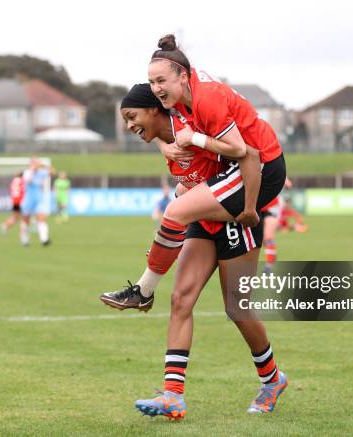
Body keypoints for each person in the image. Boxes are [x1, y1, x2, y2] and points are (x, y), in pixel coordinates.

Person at [106, 83, 288, 418]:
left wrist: (249, 208)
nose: (129, 126)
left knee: (237, 308)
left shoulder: (192, 128)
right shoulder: (168, 139)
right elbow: (187, 177)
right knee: (180, 299)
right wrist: (163, 144)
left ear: (155, 110)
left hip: (235, 220)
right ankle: (173, 396)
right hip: (203, 222)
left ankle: (272, 379)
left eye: (133, 117)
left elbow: (246, 153)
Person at [101, 34, 286, 318]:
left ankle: (144, 290)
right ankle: (268, 366)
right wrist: (165, 143)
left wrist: (195, 139)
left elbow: (242, 150)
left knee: (176, 212)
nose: (156, 88)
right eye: (152, 82)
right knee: (180, 200)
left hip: (260, 165)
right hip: (243, 165)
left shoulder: (205, 98)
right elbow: (160, 123)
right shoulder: (183, 91)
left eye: (160, 81)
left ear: (182, 76)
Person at [261, 178, 293, 273]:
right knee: (260, 240)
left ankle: (268, 265)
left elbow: (288, 183)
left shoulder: (270, 164)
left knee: (268, 237)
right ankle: (271, 256)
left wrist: (285, 179)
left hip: (272, 206)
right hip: (257, 206)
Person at [20, 158, 51, 247]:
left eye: (37, 163)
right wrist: (33, 170)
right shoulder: (27, 172)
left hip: (39, 199)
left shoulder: (42, 172)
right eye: (34, 163)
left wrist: (46, 165)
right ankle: (24, 239)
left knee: (41, 218)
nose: (36, 164)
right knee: (26, 220)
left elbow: (52, 172)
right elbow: (28, 180)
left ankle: (44, 239)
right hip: (28, 199)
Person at [0, 171, 24, 235]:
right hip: (21, 201)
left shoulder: (14, 181)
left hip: (14, 201)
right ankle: (23, 234)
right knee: (23, 217)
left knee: (16, 217)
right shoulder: (22, 181)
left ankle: (5, 225)